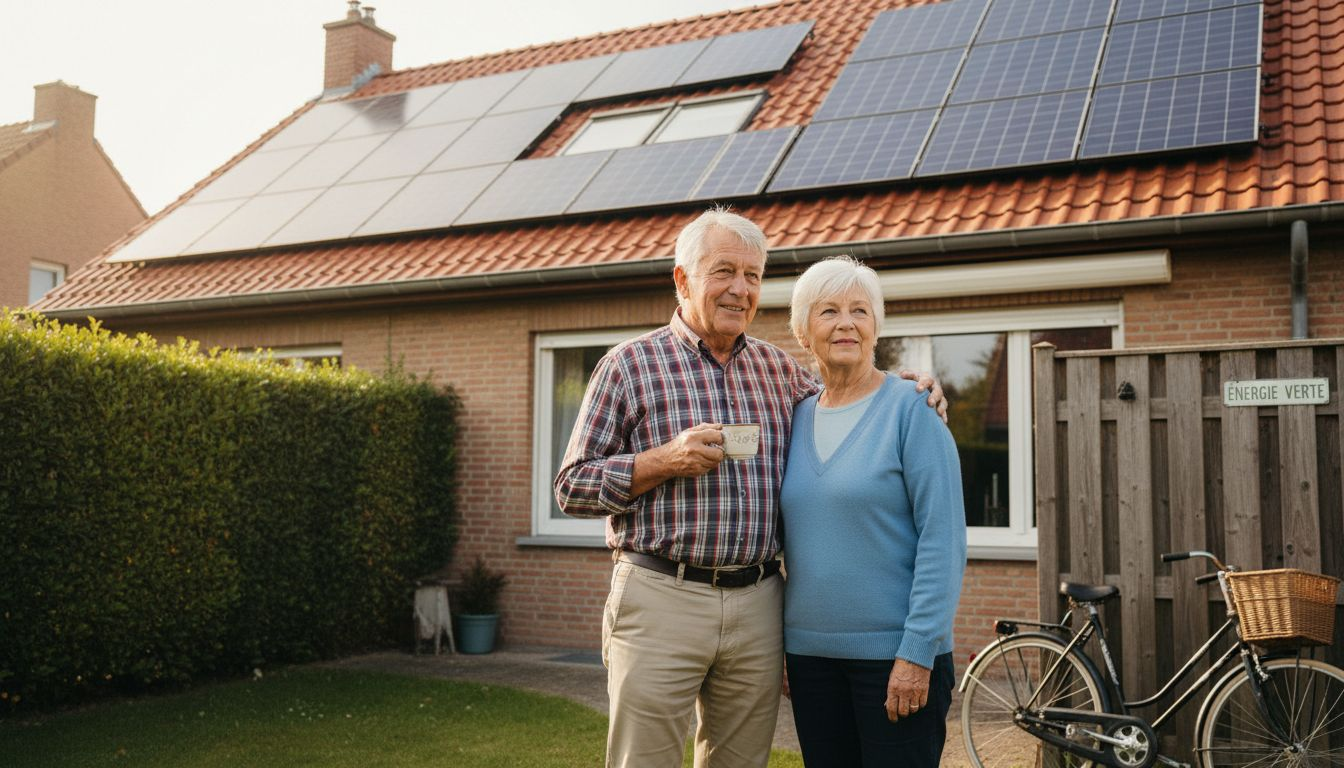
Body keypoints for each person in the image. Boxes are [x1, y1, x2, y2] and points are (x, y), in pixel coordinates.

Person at [554, 209, 947, 768]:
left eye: (753, 276)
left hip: (759, 602)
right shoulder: (627, 366)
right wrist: (661, 460)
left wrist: (914, 385)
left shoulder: (780, 373)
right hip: (662, 593)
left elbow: (850, 391)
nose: (740, 290)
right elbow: (572, 487)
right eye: (724, 272)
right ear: (682, 279)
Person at [780, 255, 967, 767]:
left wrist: (917, 651)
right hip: (809, 658)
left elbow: (942, 540)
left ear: (876, 327)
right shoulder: (792, 419)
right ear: (803, 331)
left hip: (895, 658)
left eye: (860, 311)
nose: (846, 323)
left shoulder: (913, 410)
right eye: (829, 311)